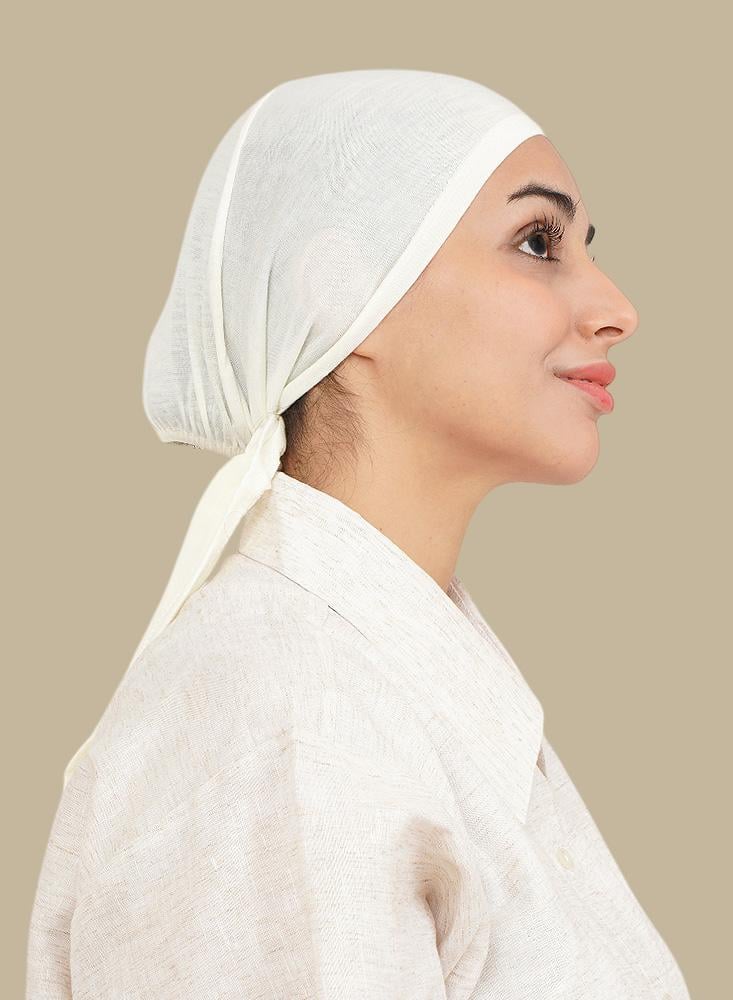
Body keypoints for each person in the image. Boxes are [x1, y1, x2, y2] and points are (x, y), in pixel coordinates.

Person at [26, 69, 690, 999]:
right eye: (538, 242)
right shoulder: (289, 716)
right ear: (343, 294)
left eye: (585, 247)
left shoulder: (371, 681)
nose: (617, 308)